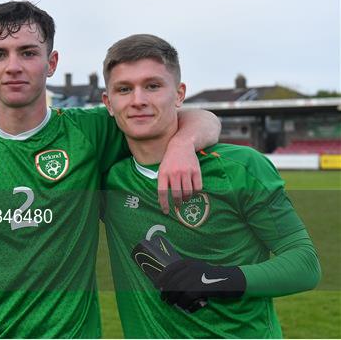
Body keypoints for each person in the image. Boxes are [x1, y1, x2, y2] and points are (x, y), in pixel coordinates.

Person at [0, 2, 220, 338]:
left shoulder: (90, 132)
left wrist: (182, 144)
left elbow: (200, 117)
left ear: (52, 63)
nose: (13, 66)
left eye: (28, 52)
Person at [101, 34, 321, 338]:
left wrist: (217, 279)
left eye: (153, 86)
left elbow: (305, 264)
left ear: (179, 95)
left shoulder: (239, 167)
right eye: (124, 89)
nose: (138, 100)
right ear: (108, 103)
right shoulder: (108, 180)